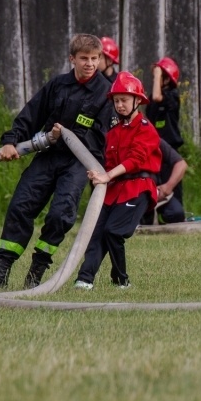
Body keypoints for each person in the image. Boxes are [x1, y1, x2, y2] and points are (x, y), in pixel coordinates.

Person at [0, 34, 113, 291]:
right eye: (84, 59)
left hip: (79, 163)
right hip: (47, 156)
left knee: (60, 215)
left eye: (94, 58)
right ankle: (0, 274)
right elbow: (31, 114)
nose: (90, 63)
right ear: (72, 59)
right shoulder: (58, 85)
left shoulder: (106, 93)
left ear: (100, 59)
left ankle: (36, 272)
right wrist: (11, 141)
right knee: (20, 206)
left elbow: (101, 138)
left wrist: (69, 135)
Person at [74, 72, 162, 290]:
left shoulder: (146, 129)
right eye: (116, 100)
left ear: (138, 101)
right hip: (114, 189)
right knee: (96, 234)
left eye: (124, 100)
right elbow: (109, 163)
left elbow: (135, 160)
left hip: (138, 188)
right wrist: (98, 175)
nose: (119, 105)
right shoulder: (113, 132)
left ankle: (121, 280)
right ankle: (84, 279)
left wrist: (107, 176)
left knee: (113, 232)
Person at [140, 139, 188, 225]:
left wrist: (167, 187)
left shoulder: (153, 139)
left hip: (155, 193)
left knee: (176, 213)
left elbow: (181, 164)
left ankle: (158, 221)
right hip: (128, 193)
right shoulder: (117, 140)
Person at [147, 56, 184, 151]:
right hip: (155, 146)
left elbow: (157, 97)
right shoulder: (152, 99)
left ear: (167, 80)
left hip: (169, 147)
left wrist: (158, 73)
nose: (154, 80)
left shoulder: (172, 95)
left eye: (157, 77)